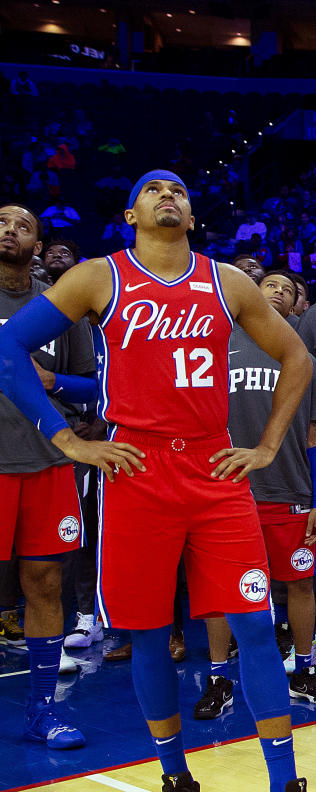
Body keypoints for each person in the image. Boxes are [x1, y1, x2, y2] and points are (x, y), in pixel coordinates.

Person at [0, 171, 313, 792]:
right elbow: (10, 348)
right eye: (153, 190)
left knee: (253, 623)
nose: (168, 195)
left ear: (192, 217)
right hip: (136, 470)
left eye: (178, 191)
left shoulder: (229, 282)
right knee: (145, 634)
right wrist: (66, 441)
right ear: (130, 213)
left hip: (214, 466)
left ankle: (285, 780)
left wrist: (270, 444)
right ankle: (174, 774)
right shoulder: (97, 276)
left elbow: (299, 360)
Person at [194, 270, 316, 722]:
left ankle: (303, 670)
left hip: (290, 489)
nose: (276, 291)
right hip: (225, 490)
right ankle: (219, 678)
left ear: (298, 305)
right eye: (268, 285)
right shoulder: (217, 345)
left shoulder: (305, 359)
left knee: (299, 583)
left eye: (287, 289)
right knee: (219, 590)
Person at [0, 204, 95, 750]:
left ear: (38, 246)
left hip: (48, 464)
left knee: (45, 583)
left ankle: (42, 710)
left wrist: (53, 380)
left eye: (22, 226)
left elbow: (92, 384)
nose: (10, 230)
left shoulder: (62, 306)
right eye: (2, 222)